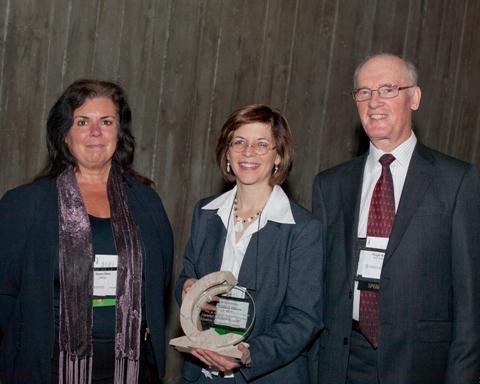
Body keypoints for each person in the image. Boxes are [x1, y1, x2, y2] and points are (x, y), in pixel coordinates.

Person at [311, 53, 480, 383]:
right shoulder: (330, 185)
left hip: (421, 366)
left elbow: (470, 304)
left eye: (388, 89)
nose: (373, 101)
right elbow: (317, 287)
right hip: (344, 363)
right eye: (363, 92)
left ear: (414, 97)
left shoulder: (457, 181)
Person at [0, 79, 173, 383]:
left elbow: (158, 286)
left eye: (106, 122)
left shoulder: (146, 203)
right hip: (47, 370)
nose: (96, 132)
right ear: (65, 134)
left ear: (119, 133)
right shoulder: (24, 205)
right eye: (82, 122)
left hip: (129, 372)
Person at [175, 104, 323, 383]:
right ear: (227, 152)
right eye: (239, 142)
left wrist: (248, 354)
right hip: (202, 373)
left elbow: (304, 318)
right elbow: (186, 276)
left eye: (261, 144)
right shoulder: (205, 213)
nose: (248, 152)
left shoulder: (303, 229)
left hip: (265, 374)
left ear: (278, 156)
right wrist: (187, 289)